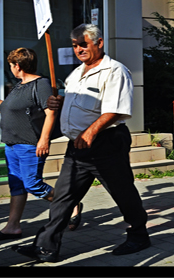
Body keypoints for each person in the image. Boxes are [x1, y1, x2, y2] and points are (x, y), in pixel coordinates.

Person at [12, 24, 150, 262]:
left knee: (123, 192)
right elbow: (76, 103)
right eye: (75, 45)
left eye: (83, 44)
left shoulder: (115, 71)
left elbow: (116, 110)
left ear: (99, 43)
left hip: (106, 143)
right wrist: (60, 102)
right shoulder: (76, 73)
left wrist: (90, 132)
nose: (78, 49)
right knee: (64, 196)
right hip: (77, 146)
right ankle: (46, 246)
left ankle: (139, 235)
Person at [0, 48, 79, 241]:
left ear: (17, 66)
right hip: (12, 144)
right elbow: (1, 108)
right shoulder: (19, 86)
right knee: (17, 186)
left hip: (29, 145)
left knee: (33, 184)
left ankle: (71, 205)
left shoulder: (41, 84)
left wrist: (44, 140)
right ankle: (12, 227)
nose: (10, 68)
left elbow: (50, 113)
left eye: (11, 65)